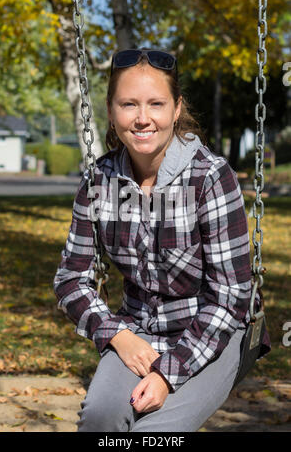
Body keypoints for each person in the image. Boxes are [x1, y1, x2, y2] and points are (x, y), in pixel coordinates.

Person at [53, 48, 270, 432]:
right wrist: (117, 334)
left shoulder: (210, 178)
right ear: (110, 110)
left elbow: (230, 298)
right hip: (138, 331)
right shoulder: (98, 182)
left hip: (215, 331)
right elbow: (71, 280)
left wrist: (167, 373)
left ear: (176, 108)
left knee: (155, 433)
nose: (142, 118)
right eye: (128, 104)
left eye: (156, 104)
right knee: (100, 420)